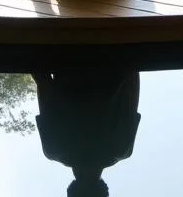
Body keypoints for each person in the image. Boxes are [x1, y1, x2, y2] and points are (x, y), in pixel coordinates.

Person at [32, 69, 141, 197]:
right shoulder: (54, 150)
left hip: (113, 57)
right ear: (70, 189)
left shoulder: (121, 150)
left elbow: (132, 79)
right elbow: (42, 80)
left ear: (104, 189)